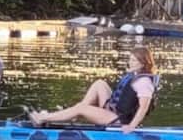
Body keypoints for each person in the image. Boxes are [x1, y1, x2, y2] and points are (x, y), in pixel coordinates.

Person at [28, 46, 159, 130]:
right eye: (130, 59)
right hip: (113, 110)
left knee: (81, 108)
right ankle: (73, 113)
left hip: (118, 120)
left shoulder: (144, 82)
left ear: (143, 63)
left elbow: (143, 107)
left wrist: (131, 126)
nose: (130, 62)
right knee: (99, 83)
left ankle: (42, 118)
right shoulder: (136, 74)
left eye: (134, 60)